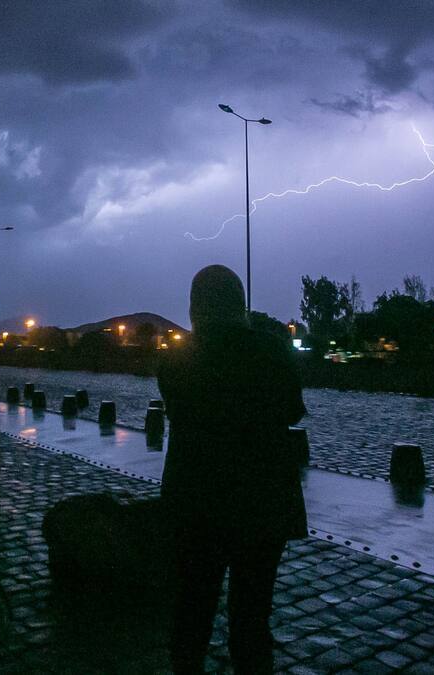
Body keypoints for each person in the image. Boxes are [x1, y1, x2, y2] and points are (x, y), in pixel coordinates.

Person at [158, 264, 307, 674]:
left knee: (193, 609)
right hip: (263, 502)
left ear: (195, 306)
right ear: (239, 302)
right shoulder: (272, 351)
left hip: (197, 501)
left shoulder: (175, 361)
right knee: (252, 617)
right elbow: (293, 411)